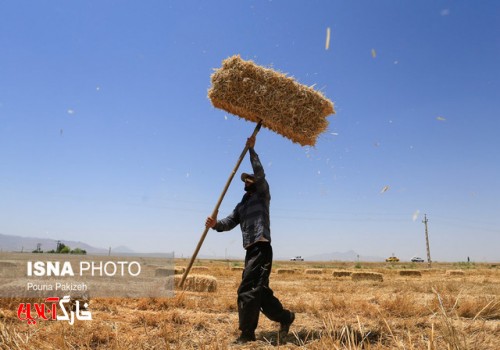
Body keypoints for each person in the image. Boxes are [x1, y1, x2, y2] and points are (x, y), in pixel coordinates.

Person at [205, 135, 295, 344]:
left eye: (249, 178)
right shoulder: (241, 205)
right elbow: (228, 222)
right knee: (260, 292)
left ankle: (247, 335)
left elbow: (261, 174)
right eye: (245, 178)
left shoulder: (263, 195)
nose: (247, 180)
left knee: (247, 290)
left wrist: (252, 151)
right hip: (251, 251)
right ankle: (286, 317)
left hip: (262, 247)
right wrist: (214, 224)